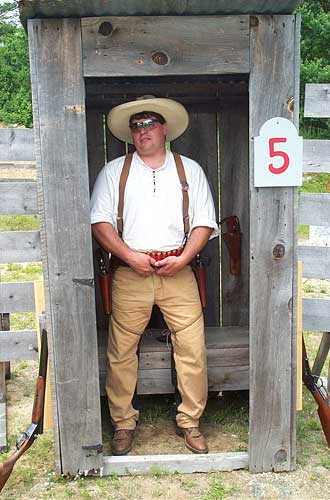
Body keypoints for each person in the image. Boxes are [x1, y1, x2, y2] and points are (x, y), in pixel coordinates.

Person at [90, 96, 218, 456]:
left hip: (178, 270)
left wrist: (184, 259)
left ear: (164, 129)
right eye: (136, 126)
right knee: (121, 350)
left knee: (192, 347)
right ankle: (123, 423)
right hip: (131, 271)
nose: (142, 131)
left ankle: (190, 421)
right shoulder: (115, 171)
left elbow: (204, 222)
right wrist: (129, 256)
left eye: (148, 124)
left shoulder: (188, 170)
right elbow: (99, 222)